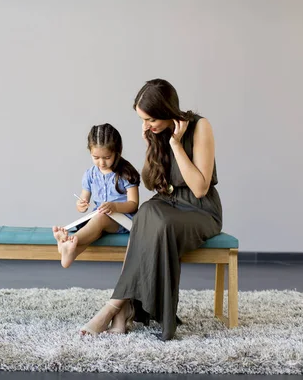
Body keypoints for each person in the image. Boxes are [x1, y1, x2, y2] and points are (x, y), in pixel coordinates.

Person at [79, 78, 223, 340]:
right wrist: (151, 146)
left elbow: (200, 187)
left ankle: (114, 308)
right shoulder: (156, 133)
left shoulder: (200, 127)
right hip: (167, 203)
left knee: (160, 222)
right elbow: (149, 183)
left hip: (200, 210)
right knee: (146, 212)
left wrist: (176, 145)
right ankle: (121, 312)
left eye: (150, 120)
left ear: (167, 111)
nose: (145, 126)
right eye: (142, 120)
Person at [52, 123, 140, 269]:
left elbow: (133, 204)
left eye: (107, 157)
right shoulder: (91, 174)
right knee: (95, 224)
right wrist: (81, 205)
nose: (101, 162)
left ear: (117, 152)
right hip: (98, 217)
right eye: (96, 157)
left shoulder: (126, 173)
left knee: (99, 218)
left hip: (122, 220)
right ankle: (70, 253)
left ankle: (67, 241)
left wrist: (114, 206)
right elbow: (83, 200)